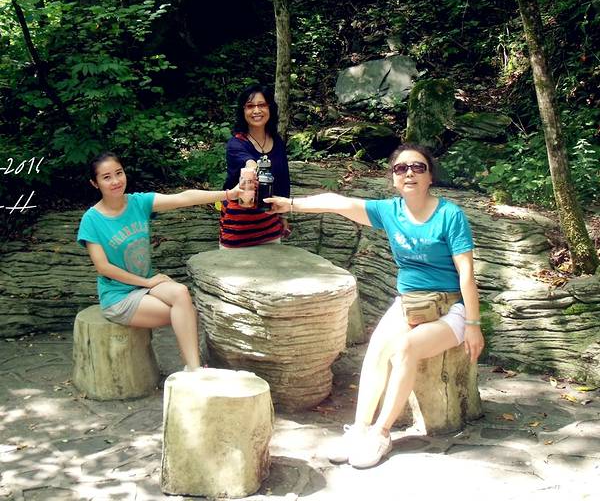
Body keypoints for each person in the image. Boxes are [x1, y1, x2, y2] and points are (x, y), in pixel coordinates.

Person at [265, 143, 485, 468]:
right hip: (410, 303)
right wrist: (291, 204)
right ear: (393, 178)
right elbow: (339, 203)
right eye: (401, 168)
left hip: (451, 307)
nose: (409, 173)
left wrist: (473, 325)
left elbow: (466, 273)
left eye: (418, 167)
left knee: (405, 349)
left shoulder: (449, 215)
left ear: (430, 176)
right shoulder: (389, 211)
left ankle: (381, 434)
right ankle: (360, 429)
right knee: (377, 350)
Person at [77, 151, 240, 371]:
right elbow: (103, 267)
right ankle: (194, 368)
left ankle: (193, 369)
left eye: (119, 173)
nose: (115, 181)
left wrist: (229, 194)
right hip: (118, 296)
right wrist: (147, 282)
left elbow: (183, 198)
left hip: (147, 286)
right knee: (186, 312)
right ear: (94, 183)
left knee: (181, 293)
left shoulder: (138, 203)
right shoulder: (91, 219)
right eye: (106, 177)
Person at [219, 84, 291, 248]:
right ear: (243, 111)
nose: (256, 110)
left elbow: (283, 180)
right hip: (237, 226)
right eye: (250, 106)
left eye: (262, 105)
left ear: (269, 108)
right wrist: (253, 169)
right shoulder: (236, 143)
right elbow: (248, 162)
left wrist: (283, 216)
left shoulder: (277, 141)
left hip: (269, 225)